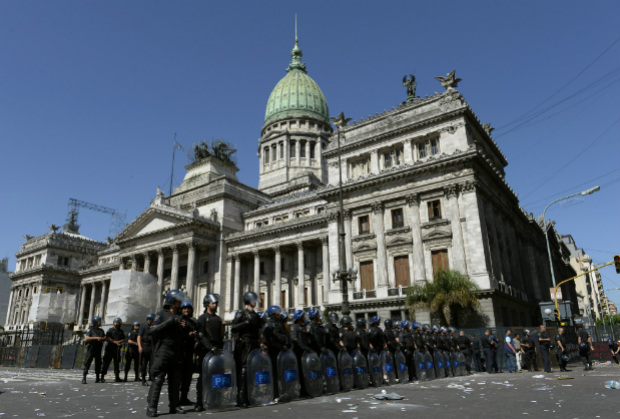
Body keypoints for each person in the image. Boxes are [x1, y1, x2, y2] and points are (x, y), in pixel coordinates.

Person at [146, 289, 187, 417]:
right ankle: (152, 407)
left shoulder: (181, 316)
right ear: (172, 302)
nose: (180, 303)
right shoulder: (161, 314)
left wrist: (184, 328)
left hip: (177, 350)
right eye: (178, 301)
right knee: (158, 378)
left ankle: (174, 406)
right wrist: (168, 322)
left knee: (175, 380)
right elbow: (152, 331)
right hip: (164, 349)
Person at [231, 291, 262, 407]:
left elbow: (259, 331)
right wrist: (245, 323)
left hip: (254, 344)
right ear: (249, 300)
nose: (255, 302)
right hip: (245, 344)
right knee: (244, 369)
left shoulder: (257, 316)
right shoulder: (242, 314)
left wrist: (261, 343)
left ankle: (250, 396)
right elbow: (233, 328)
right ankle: (241, 397)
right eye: (253, 300)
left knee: (253, 369)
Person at [194, 293, 224, 412]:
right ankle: (199, 402)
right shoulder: (202, 318)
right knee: (203, 377)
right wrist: (210, 347)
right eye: (213, 303)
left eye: (216, 303)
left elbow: (221, 336)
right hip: (205, 351)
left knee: (216, 376)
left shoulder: (218, 319)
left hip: (217, 351)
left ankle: (215, 400)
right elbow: (200, 335)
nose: (215, 305)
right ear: (207, 304)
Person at [262, 305, 288, 399]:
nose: (278, 314)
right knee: (274, 373)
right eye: (277, 313)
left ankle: (281, 392)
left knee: (280, 371)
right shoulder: (269, 324)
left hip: (279, 350)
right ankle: (275, 394)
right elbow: (266, 339)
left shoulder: (278, 323)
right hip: (273, 351)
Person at [179, 300, 197, 406]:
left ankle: (184, 397)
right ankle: (176, 399)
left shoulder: (193, 321)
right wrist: (187, 333)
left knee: (188, 376)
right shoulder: (180, 319)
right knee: (179, 375)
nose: (186, 310)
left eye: (188, 308)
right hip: (181, 351)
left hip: (190, 351)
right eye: (184, 308)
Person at [82, 316, 106, 384]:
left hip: (98, 348)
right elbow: (87, 338)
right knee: (88, 362)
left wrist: (102, 338)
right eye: (98, 321)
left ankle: (97, 378)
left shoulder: (101, 330)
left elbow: (104, 337)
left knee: (98, 363)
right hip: (91, 348)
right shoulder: (91, 329)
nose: (100, 322)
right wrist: (96, 338)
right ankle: (84, 377)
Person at [101, 317, 125, 383]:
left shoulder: (121, 331)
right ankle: (102, 377)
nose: (116, 324)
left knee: (117, 364)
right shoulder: (110, 330)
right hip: (109, 349)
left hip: (117, 349)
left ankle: (117, 377)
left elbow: (123, 339)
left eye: (118, 322)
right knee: (106, 363)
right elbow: (108, 337)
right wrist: (115, 342)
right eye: (115, 322)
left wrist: (119, 342)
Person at [138, 313, 154, 385]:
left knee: (152, 364)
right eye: (149, 319)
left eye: (151, 319)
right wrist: (140, 346)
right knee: (144, 364)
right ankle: (143, 379)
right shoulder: (143, 327)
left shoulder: (154, 326)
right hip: (145, 346)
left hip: (152, 347)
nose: (150, 320)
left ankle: (152, 377)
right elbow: (139, 337)